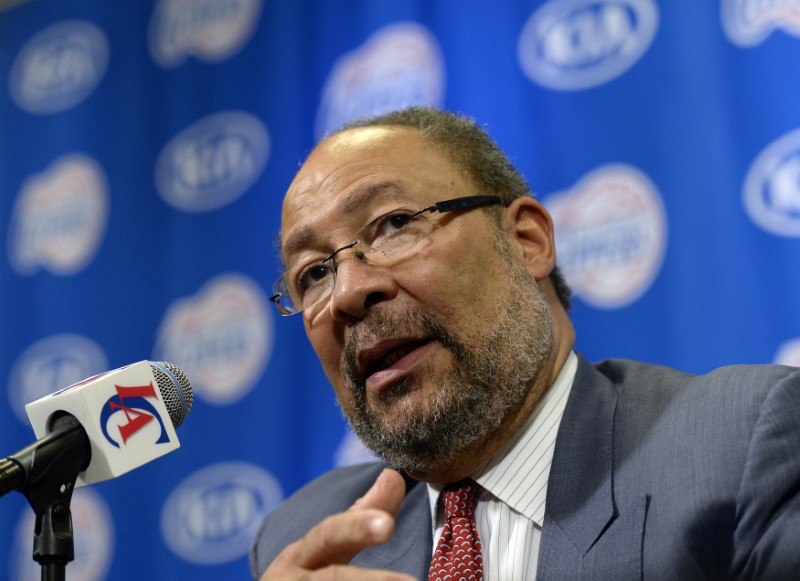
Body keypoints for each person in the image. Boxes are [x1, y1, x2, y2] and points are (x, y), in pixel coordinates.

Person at [250, 106, 800, 580]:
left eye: (394, 223)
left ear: (527, 243)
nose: (347, 291)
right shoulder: (302, 541)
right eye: (314, 274)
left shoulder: (741, 445)